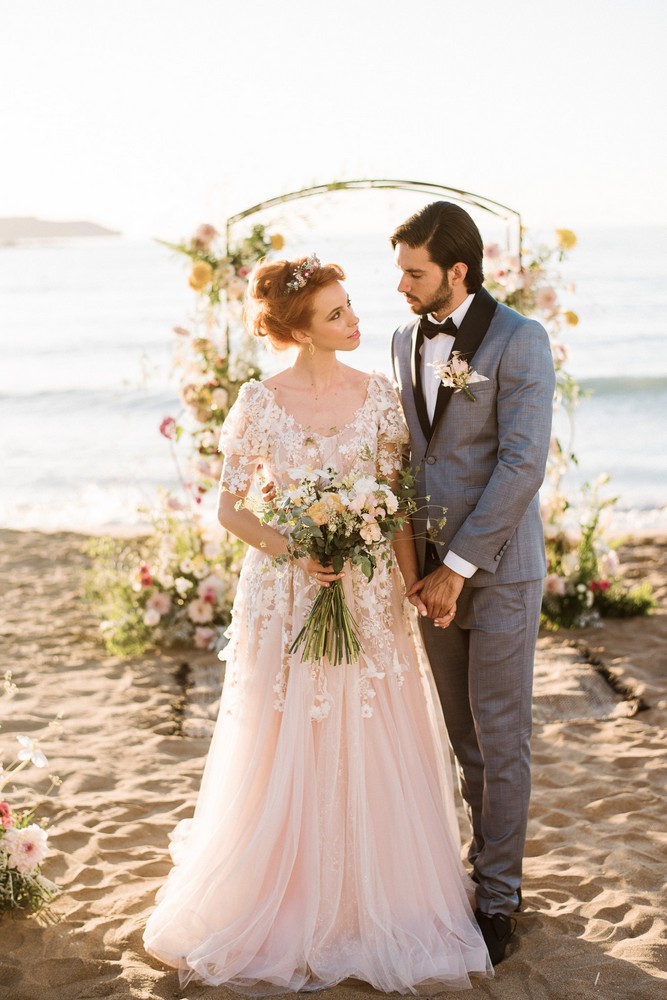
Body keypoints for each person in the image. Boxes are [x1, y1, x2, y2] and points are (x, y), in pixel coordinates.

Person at [143, 254, 492, 992]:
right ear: (299, 329)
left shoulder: (380, 399)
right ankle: (284, 898)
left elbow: (396, 509)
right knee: (287, 738)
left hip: (365, 597)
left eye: (349, 307)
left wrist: (409, 588)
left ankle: (375, 899)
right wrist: (295, 548)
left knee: (372, 733)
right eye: (335, 313)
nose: (354, 320)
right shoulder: (259, 403)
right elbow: (232, 509)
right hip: (287, 594)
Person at [390, 202, 556, 964]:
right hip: (427, 576)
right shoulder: (401, 339)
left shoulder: (522, 340)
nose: (400, 284)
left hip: (498, 573)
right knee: (462, 738)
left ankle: (498, 899)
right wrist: (420, 570)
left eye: (414, 271)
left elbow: (522, 464)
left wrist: (457, 570)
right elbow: (410, 456)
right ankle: (477, 873)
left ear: (457, 270)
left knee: (501, 735)